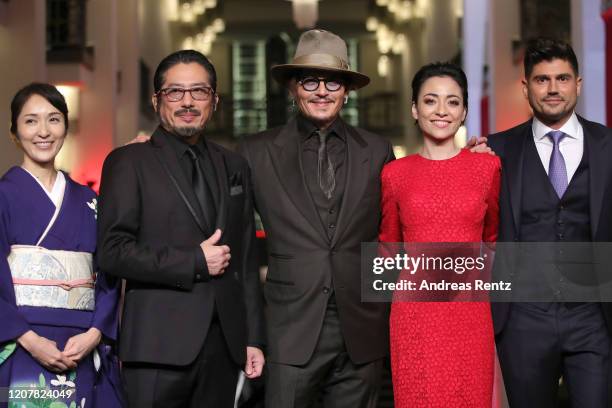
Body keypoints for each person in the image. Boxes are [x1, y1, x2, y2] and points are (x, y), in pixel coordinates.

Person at [97, 50, 265, 407]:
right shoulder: (128, 162)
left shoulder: (234, 165)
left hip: (225, 346)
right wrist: (194, 261)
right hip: (157, 348)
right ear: (157, 100)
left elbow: (247, 261)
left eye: (199, 92)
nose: (187, 102)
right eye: (175, 92)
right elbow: (112, 251)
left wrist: (253, 338)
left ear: (214, 101)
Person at [238, 29, 394, 408]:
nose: (322, 91)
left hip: (362, 331)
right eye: (311, 80)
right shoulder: (255, 152)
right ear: (294, 87)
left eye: (333, 81)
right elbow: (240, 252)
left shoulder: (376, 151)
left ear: (346, 90)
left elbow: (396, 233)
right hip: (289, 332)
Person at [487, 38, 612, 407]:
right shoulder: (496, 151)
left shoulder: (608, 145)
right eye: (542, 80)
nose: (553, 88)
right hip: (523, 320)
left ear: (578, 84)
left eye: (562, 78)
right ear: (526, 87)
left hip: (594, 319)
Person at [379, 62, 501, 407]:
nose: (442, 111)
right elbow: (388, 248)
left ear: (464, 111)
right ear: (415, 109)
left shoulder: (487, 167)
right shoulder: (394, 174)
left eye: (453, 101)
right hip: (415, 318)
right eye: (431, 101)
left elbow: (493, 240)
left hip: (470, 316)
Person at [0, 83, 123, 408]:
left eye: (53, 120)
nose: (43, 131)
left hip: (81, 342)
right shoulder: (3, 195)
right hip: (19, 342)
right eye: (31, 121)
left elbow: (108, 272)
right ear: (14, 132)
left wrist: (96, 333)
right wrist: (28, 339)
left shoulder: (89, 201)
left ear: (66, 128)